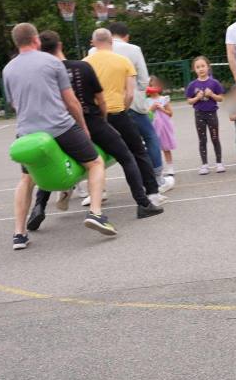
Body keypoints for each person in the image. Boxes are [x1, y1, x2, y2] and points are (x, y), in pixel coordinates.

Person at [26, 31, 164, 230]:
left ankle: (38, 207)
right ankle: (143, 203)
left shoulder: (43, 74)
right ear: (60, 45)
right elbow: (100, 99)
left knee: (51, 163)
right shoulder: (82, 66)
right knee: (126, 156)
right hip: (90, 118)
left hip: (57, 123)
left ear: (40, 48)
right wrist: (103, 121)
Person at [3, 23, 115, 250]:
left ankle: (19, 233)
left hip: (27, 132)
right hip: (59, 126)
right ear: (36, 40)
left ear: (17, 42)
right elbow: (71, 100)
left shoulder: (8, 69)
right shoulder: (52, 62)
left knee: (27, 179)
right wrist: (83, 126)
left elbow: (13, 103)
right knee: (95, 162)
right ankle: (95, 212)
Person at [83, 28, 166, 207]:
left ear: (93, 43)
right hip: (118, 112)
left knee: (94, 156)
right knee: (137, 152)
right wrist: (124, 107)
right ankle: (151, 192)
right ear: (111, 41)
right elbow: (130, 93)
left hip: (96, 117)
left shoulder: (85, 63)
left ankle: (96, 193)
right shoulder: (123, 61)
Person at [185, 56, 225, 174]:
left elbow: (221, 98)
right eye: (198, 67)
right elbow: (189, 100)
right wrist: (197, 97)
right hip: (199, 115)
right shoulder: (192, 85)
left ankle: (219, 163)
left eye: (203, 66)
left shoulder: (214, 83)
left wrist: (212, 94)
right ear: (194, 69)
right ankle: (204, 164)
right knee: (202, 139)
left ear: (208, 67)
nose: (201, 69)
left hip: (212, 114)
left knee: (215, 138)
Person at [146, 76, 176, 174]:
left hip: (164, 127)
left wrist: (161, 108)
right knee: (154, 148)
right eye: (151, 85)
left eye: (155, 85)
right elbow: (145, 115)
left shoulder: (164, 99)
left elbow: (170, 113)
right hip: (152, 127)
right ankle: (158, 168)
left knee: (166, 147)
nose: (153, 87)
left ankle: (170, 167)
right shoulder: (146, 101)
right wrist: (152, 108)